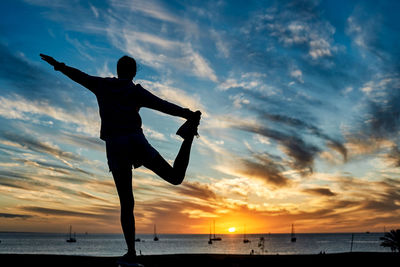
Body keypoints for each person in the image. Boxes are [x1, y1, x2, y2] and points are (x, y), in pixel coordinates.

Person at [40, 54, 201, 266]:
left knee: (127, 202)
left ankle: (131, 253)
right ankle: (188, 138)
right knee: (174, 177)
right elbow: (163, 105)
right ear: (133, 72)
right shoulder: (135, 91)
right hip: (135, 142)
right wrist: (188, 114)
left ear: (117, 70)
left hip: (116, 146)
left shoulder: (103, 85)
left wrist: (59, 66)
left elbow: (79, 76)